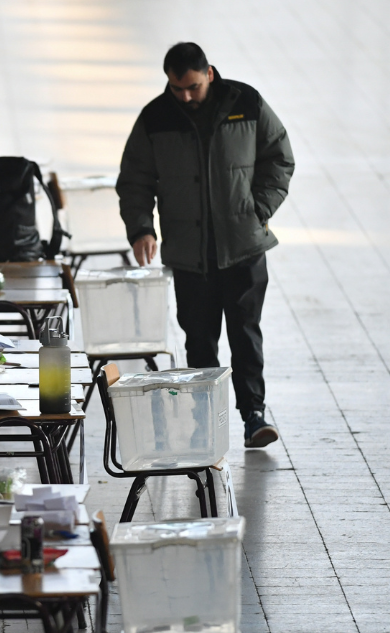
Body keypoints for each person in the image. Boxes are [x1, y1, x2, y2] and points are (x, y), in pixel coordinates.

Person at [116, 42, 295, 449]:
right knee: (199, 341)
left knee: (245, 334)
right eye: (176, 88)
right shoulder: (156, 117)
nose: (185, 96)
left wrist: (258, 208)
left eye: (192, 87)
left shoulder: (246, 103)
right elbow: (134, 179)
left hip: (243, 247)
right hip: (189, 254)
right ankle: (205, 423)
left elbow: (279, 157)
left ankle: (253, 415)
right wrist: (141, 229)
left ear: (209, 74)